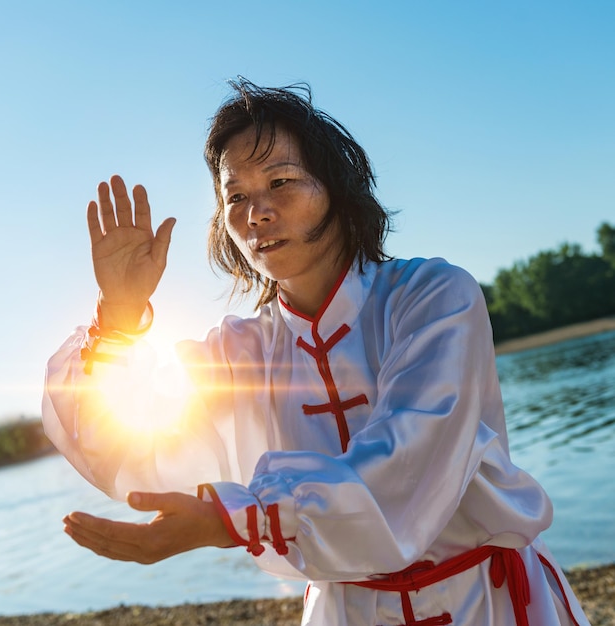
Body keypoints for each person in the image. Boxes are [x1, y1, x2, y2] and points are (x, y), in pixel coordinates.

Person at [43, 79, 589, 626]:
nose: (256, 213)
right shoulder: (239, 355)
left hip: (484, 600)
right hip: (345, 611)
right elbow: (119, 445)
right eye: (235, 197)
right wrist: (117, 317)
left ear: (336, 188)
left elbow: (411, 453)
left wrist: (237, 520)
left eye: (280, 181)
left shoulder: (431, 296)